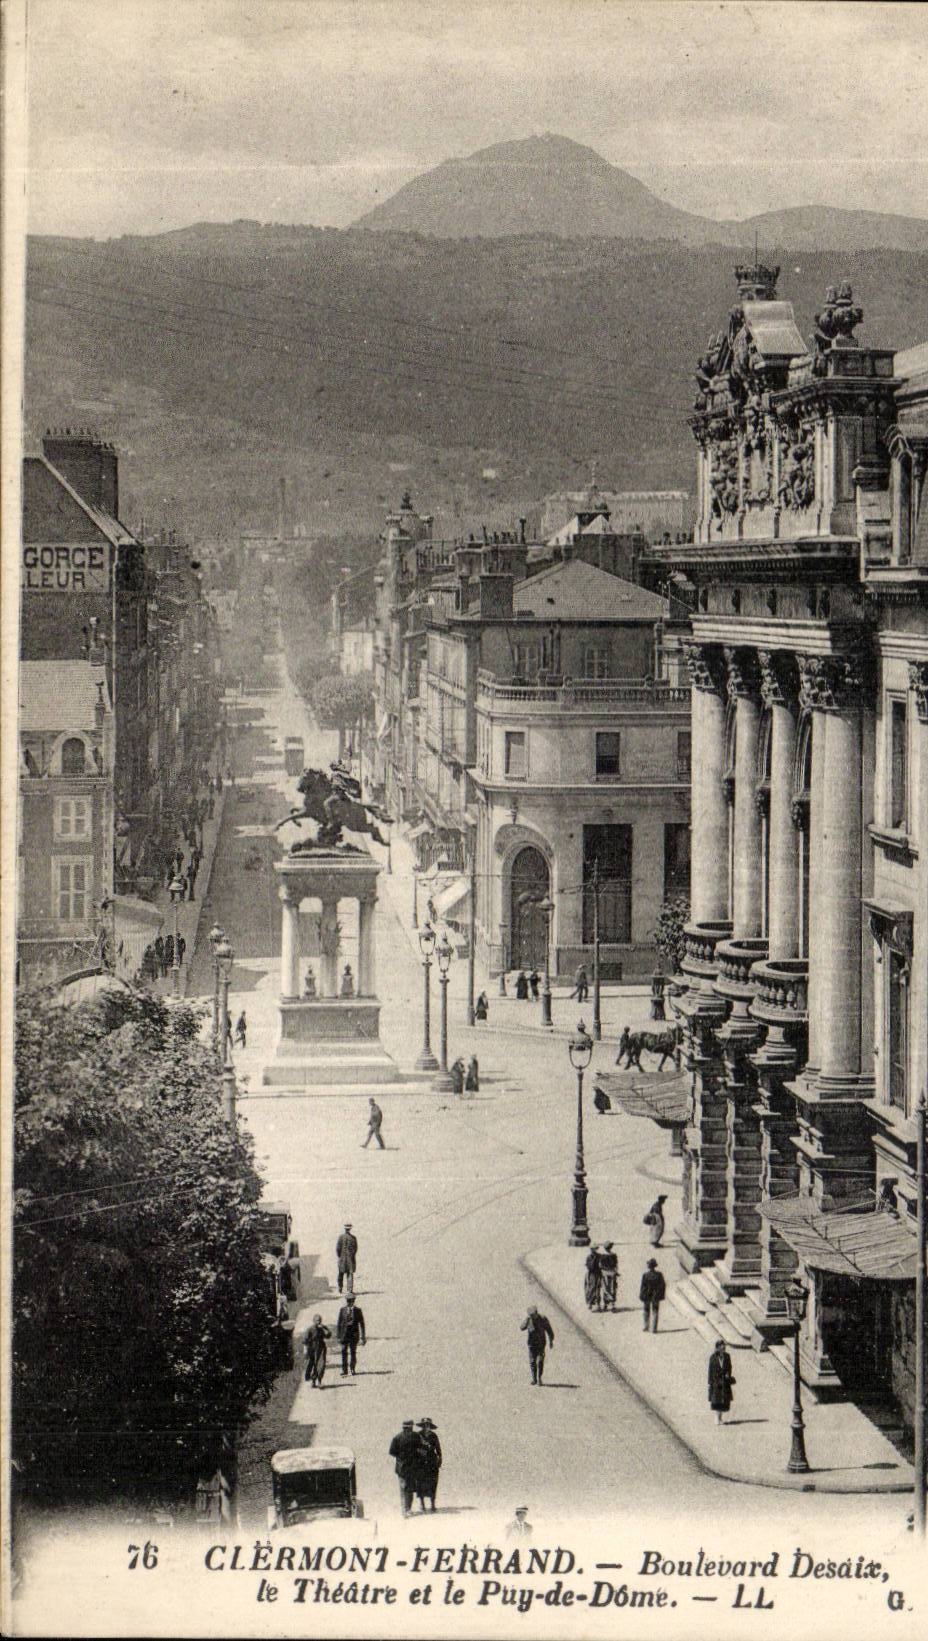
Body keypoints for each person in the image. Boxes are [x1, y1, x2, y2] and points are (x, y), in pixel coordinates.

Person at [388, 1422, 418, 1516]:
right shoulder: (414, 1436)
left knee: (406, 1488)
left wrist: (400, 1456)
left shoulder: (397, 1437)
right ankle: (406, 1509)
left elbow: (392, 1452)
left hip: (404, 1467)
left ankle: (406, 1509)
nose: (409, 1430)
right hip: (408, 1467)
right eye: (408, 1428)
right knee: (407, 1488)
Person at [520, 1305, 554, 1386]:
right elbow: (521, 1328)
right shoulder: (528, 1320)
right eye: (530, 1315)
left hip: (541, 1344)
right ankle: (534, 1378)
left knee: (539, 1362)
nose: (531, 1317)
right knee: (532, 1362)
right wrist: (526, 1321)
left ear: (536, 1313)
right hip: (531, 1345)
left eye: (532, 1315)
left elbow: (549, 1330)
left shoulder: (543, 1319)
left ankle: (539, 1378)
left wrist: (551, 1341)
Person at [413, 1419, 442, 1512]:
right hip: (420, 1463)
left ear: (430, 1426)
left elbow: (438, 1449)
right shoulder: (417, 1436)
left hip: (431, 1463)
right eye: (424, 1425)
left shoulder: (434, 1436)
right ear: (422, 1426)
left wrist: (439, 1459)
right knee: (420, 1483)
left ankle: (432, 1504)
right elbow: (413, 1448)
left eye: (428, 1425)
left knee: (433, 1483)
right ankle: (422, 1504)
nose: (426, 1427)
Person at [335, 1294, 366, 1376]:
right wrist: (338, 1336)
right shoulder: (342, 1310)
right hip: (344, 1334)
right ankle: (344, 1370)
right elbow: (339, 1323)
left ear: (353, 1301)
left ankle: (352, 1368)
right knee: (343, 1351)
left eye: (351, 1301)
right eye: (348, 1301)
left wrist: (363, 1337)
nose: (349, 1303)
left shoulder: (358, 1311)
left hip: (353, 1335)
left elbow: (362, 1324)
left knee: (353, 1352)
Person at [708, 1339, 735, 1423]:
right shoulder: (713, 1357)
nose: (723, 1349)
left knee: (723, 1401)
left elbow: (729, 1367)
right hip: (716, 1382)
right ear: (717, 1348)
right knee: (717, 1400)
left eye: (724, 1348)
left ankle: (720, 1418)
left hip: (724, 1381)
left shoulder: (727, 1356)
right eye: (721, 1348)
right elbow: (710, 1370)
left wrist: (728, 1374)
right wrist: (710, 1382)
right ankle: (716, 1417)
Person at [302, 1315, 331, 1387]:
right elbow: (305, 1341)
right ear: (314, 1321)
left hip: (321, 1348)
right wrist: (305, 1350)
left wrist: (324, 1329)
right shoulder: (310, 1329)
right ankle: (313, 1381)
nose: (319, 1322)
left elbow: (328, 1336)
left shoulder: (322, 1328)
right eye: (317, 1320)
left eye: (320, 1320)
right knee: (314, 1365)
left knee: (322, 1364)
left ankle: (319, 1381)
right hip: (312, 1349)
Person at [639, 1258, 666, 1332]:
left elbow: (643, 1286)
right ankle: (654, 1328)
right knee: (655, 1311)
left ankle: (646, 1326)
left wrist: (641, 1295)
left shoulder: (645, 1275)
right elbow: (663, 1285)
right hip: (655, 1295)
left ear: (648, 1267)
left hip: (647, 1295)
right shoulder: (659, 1275)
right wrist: (660, 1295)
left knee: (646, 1310)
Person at [336, 1223, 358, 1293]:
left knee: (340, 1273)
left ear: (345, 1229)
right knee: (349, 1274)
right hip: (350, 1259)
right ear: (350, 1229)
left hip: (342, 1259)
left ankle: (340, 1287)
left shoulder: (341, 1237)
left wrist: (339, 1256)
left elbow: (338, 1248)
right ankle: (349, 1290)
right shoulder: (353, 1238)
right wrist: (352, 1255)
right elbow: (355, 1249)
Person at [599, 1242, 619, 1311]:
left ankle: (605, 1304)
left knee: (605, 1288)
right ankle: (613, 1305)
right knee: (612, 1288)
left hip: (605, 1273)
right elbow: (616, 1265)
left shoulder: (602, 1256)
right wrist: (616, 1272)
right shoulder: (614, 1255)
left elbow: (600, 1265)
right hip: (612, 1273)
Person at [584, 1246, 602, 1311]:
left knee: (598, 1289)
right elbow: (589, 1266)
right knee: (591, 1288)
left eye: (594, 1249)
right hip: (592, 1274)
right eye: (592, 1249)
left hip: (598, 1274)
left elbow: (601, 1265)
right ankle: (590, 1304)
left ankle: (598, 1304)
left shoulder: (599, 1256)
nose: (593, 1250)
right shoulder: (589, 1257)